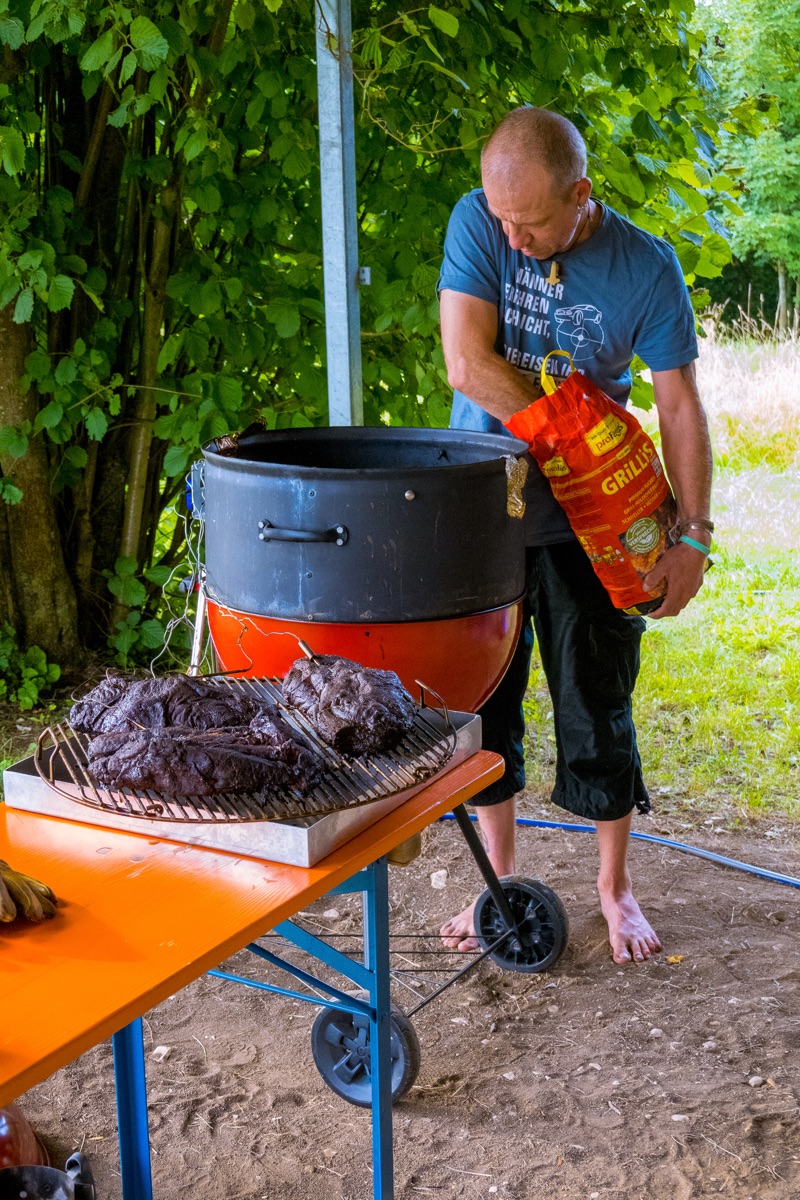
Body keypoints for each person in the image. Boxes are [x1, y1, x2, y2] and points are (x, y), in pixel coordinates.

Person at [437, 107, 713, 965]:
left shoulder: (646, 268)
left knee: (598, 703)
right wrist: (577, 436)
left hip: (596, 527)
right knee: (486, 707)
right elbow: (467, 364)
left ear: (581, 194)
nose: (512, 239)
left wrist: (694, 537)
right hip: (487, 513)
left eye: (530, 224)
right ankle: (499, 881)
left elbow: (678, 406)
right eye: (502, 220)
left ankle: (614, 886)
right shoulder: (480, 219)